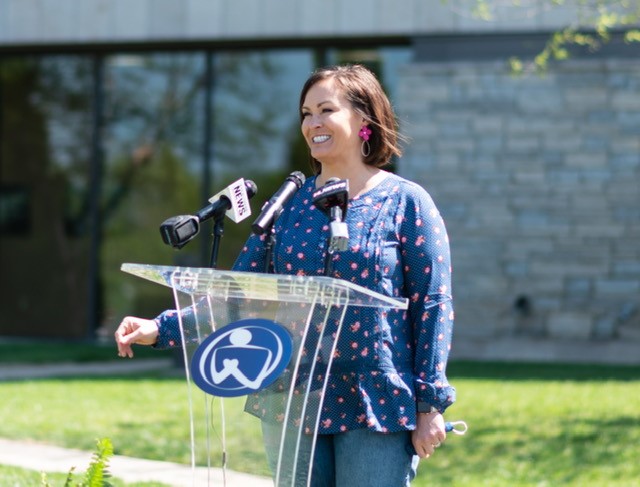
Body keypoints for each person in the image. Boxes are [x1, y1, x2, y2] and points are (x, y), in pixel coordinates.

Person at [115, 64, 456, 486]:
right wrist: (161, 327)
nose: (312, 123)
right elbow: (240, 294)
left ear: (364, 119)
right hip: (293, 393)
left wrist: (430, 404)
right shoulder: (288, 205)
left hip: (375, 400)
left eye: (326, 110)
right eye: (305, 114)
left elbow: (433, 306)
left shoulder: (407, 202)